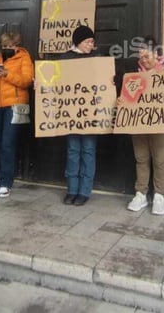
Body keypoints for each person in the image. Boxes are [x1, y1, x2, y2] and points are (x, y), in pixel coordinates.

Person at [0, 30, 34, 199]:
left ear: (17, 46)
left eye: (10, 45)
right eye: (4, 46)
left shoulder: (24, 58)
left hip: (14, 106)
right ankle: (0, 177)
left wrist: (7, 74)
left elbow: (27, 80)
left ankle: (6, 182)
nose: (7, 48)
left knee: (8, 143)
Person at [126, 37, 164, 216]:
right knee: (141, 158)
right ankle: (140, 194)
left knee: (160, 159)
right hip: (138, 123)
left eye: (147, 56)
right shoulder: (133, 73)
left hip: (161, 124)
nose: (143, 60)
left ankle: (159, 196)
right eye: (140, 57)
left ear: (156, 53)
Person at [60, 25, 98, 206]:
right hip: (71, 115)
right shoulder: (65, 58)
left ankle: (84, 191)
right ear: (78, 42)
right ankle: (72, 190)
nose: (91, 44)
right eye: (88, 41)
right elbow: (55, 81)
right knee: (73, 151)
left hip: (90, 115)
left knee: (88, 151)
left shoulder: (97, 58)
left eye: (92, 41)